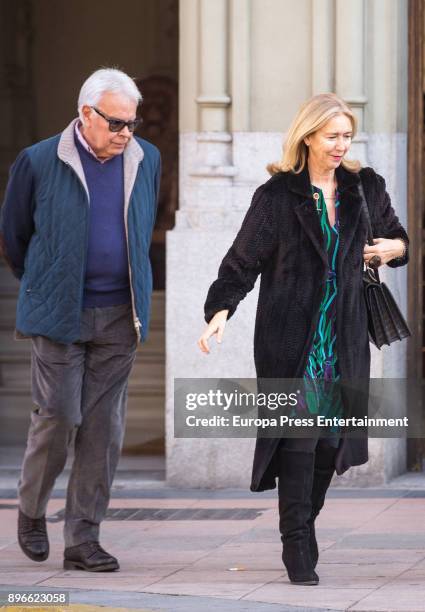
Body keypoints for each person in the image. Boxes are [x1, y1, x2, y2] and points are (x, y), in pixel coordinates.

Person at [198, 93, 408, 585]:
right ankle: (295, 542)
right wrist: (219, 312)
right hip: (291, 339)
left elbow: (398, 239)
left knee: (328, 442)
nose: (341, 145)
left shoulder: (364, 187)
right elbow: (240, 263)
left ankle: (303, 526)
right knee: (298, 440)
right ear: (308, 136)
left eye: (347, 136)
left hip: (344, 335)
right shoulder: (277, 196)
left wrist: (392, 248)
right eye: (332, 136)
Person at [0, 68, 161, 572]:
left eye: (132, 123)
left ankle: (82, 540)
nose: (126, 133)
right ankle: (30, 510)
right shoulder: (40, 159)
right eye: (116, 123)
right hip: (59, 313)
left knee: (103, 429)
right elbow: (13, 233)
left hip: (120, 314)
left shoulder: (146, 158)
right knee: (59, 417)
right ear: (86, 113)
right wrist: (47, 281)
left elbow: (142, 224)